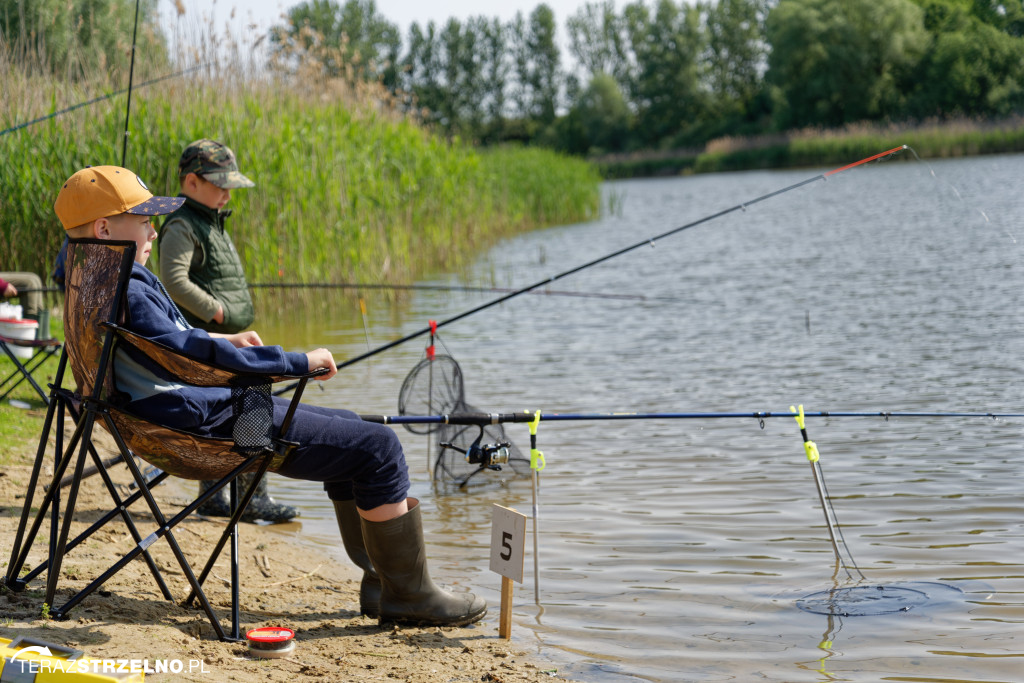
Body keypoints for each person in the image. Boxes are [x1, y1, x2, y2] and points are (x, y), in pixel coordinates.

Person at [53, 165, 486, 627]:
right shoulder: (129, 287)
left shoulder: (89, 278)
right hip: (204, 428)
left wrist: (226, 343)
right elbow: (188, 355)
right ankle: (410, 595)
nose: (153, 231)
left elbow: (174, 347)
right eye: (143, 221)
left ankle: (383, 580)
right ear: (105, 228)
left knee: (358, 429)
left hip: (169, 415)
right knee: (378, 448)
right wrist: (298, 361)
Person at [157, 139, 295, 524]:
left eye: (229, 184)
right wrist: (216, 311)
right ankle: (251, 499)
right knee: (255, 393)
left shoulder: (210, 220)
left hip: (223, 343)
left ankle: (214, 497)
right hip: (206, 345)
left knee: (247, 398)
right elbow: (173, 280)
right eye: (220, 184)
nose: (227, 192)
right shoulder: (183, 223)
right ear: (192, 182)